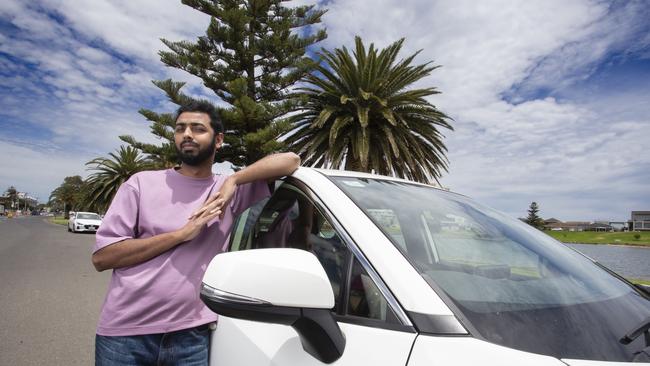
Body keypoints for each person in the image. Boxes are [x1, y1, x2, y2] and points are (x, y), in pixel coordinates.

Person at [92, 100, 300, 365]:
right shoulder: (141, 184)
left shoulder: (228, 191)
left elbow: (291, 160)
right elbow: (103, 258)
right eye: (180, 128)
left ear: (218, 139)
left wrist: (233, 180)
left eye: (197, 128)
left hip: (191, 335)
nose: (186, 134)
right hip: (125, 335)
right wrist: (181, 234)